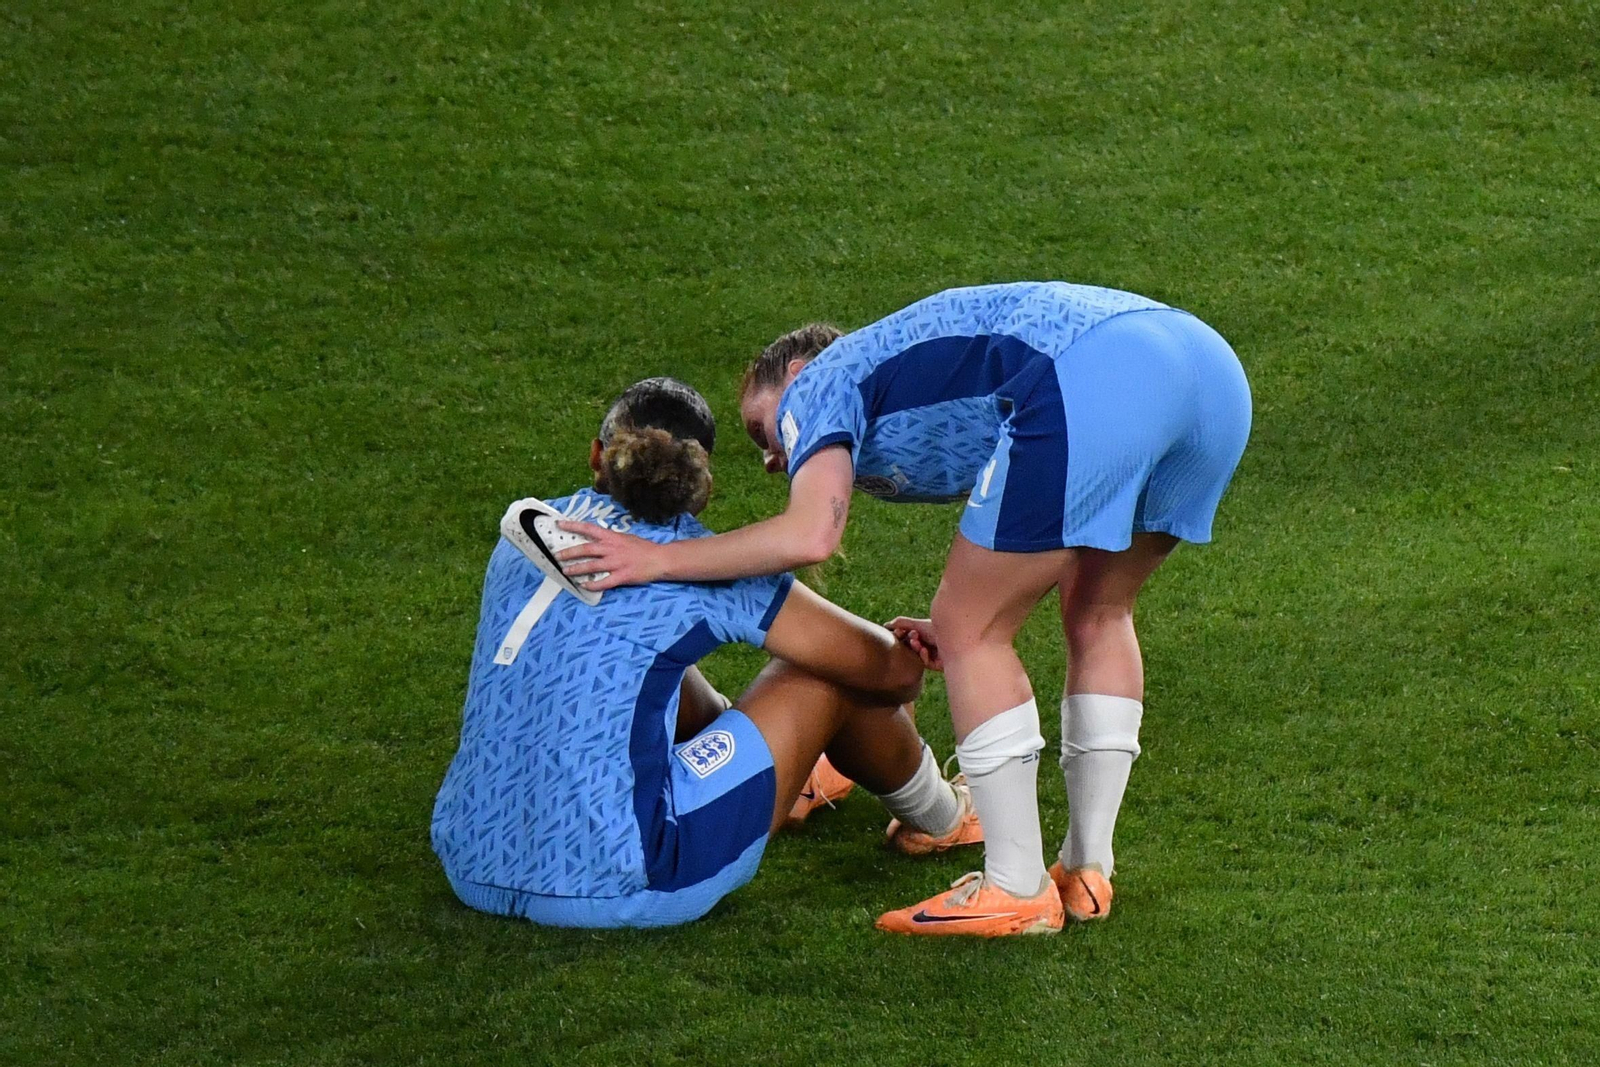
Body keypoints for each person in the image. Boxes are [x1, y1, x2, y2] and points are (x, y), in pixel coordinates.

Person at [557, 284, 1252, 937]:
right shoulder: (916, 389)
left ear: (795, 370)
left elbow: (811, 534)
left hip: (1093, 368)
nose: (771, 457)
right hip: (1209, 374)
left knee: (972, 628)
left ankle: (1016, 885)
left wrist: (659, 559)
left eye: (760, 428)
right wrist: (965, 621)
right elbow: (1043, 537)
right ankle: (1087, 869)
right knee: (1099, 613)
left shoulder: (820, 381)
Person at [431, 377, 981, 929]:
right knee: (827, 671)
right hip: (624, 880)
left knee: (642, 666)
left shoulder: (525, 529)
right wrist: (907, 653)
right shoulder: (706, 565)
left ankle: (790, 777)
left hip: (472, 859)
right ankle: (943, 816)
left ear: (597, 455)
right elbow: (891, 674)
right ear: (700, 481)